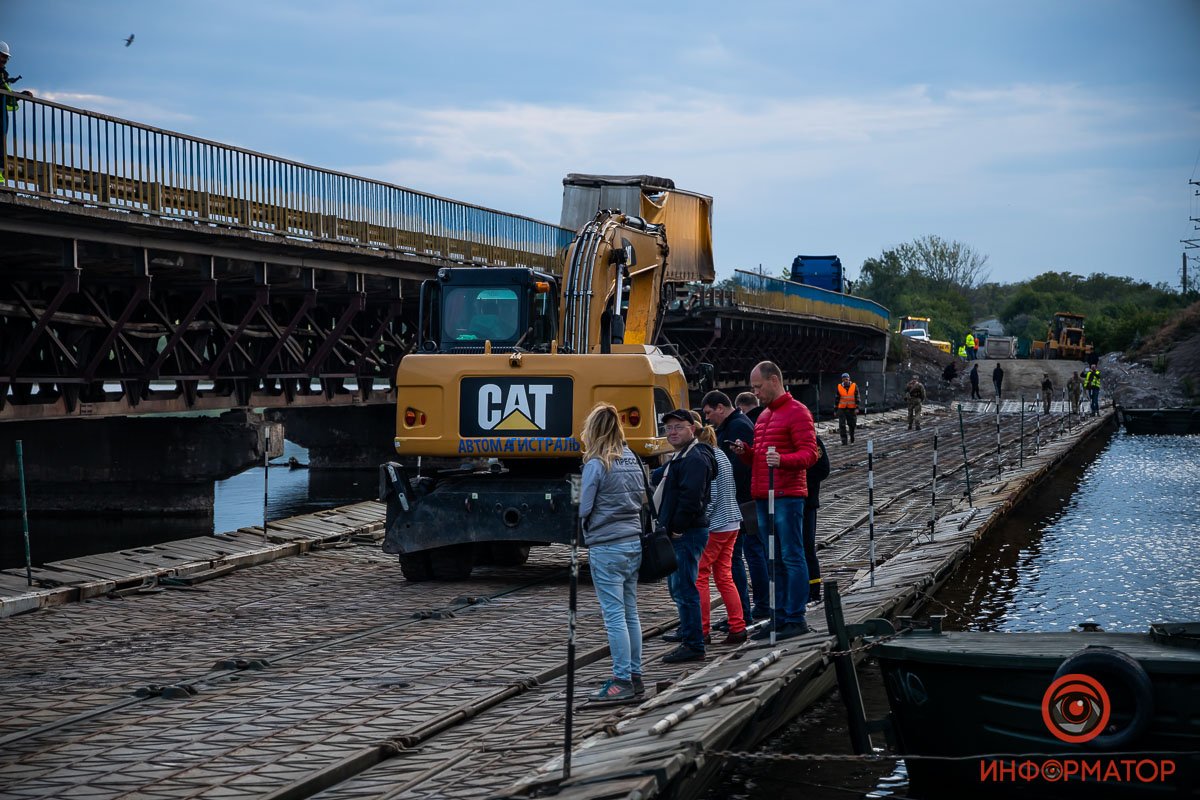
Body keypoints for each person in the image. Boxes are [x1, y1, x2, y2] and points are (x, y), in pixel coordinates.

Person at [730, 361, 819, 640]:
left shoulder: (798, 413)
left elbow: (810, 454)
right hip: (763, 495)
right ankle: (778, 616)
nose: (755, 393)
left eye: (758, 387)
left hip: (787, 497)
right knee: (773, 559)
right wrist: (746, 452)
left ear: (774, 380)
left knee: (791, 556)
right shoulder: (765, 415)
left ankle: (795, 617)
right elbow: (761, 457)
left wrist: (782, 460)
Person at [578, 403, 646, 702]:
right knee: (630, 612)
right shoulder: (631, 458)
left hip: (606, 545)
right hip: (633, 542)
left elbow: (583, 507)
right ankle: (635, 673)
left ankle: (621, 680)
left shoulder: (596, 464)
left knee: (614, 615)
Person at [651, 408, 717, 663]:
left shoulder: (695, 458)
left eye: (678, 427)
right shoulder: (682, 456)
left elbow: (692, 498)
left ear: (692, 428)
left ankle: (693, 644)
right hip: (681, 532)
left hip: (687, 533)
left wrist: (677, 528)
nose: (672, 432)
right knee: (678, 587)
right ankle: (689, 634)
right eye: (668, 428)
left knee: (685, 587)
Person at [702, 390, 765, 627]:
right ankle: (741, 611)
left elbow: (737, 469)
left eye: (709, 412)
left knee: (741, 558)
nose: (708, 419)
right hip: (739, 502)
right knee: (740, 558)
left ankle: (747, 611)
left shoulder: (737, 426)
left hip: (740, 502)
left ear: (720, 407)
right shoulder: (735, 424)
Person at [692, 421, 746, 646]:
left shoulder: (704, 458)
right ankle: (738, 626)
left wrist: (699, 518)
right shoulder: (721, 454)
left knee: (700, 576)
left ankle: (702, 630)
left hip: (716, 525)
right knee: (724, 576)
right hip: (732, 521)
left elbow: (711, 497)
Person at [1, 42, 33, 186]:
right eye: (2, 57)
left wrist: (20, 95)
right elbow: (6, 92)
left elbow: (6, 93)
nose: (4, 61)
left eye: (5, 58)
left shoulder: (2, 75)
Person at [803, 435, 830, 603]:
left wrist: (802, 482)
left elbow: (822, 469)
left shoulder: (812, 440)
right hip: (785, 502)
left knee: (807, 548)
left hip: (807, 502)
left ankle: (813, 591)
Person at [835, 372, 860, 445]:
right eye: (844, 379)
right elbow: (836, 399)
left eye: (847, 378)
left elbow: (857, 397)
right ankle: (844, 441)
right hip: (842, 408)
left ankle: (852, 437)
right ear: (842, 379)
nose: (845, 380)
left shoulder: (854, 386)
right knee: (842, 425)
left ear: (849, 379)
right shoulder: (839, 387)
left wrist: (857, 408)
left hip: (851, 408)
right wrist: (835, 410)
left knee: (852, 424)